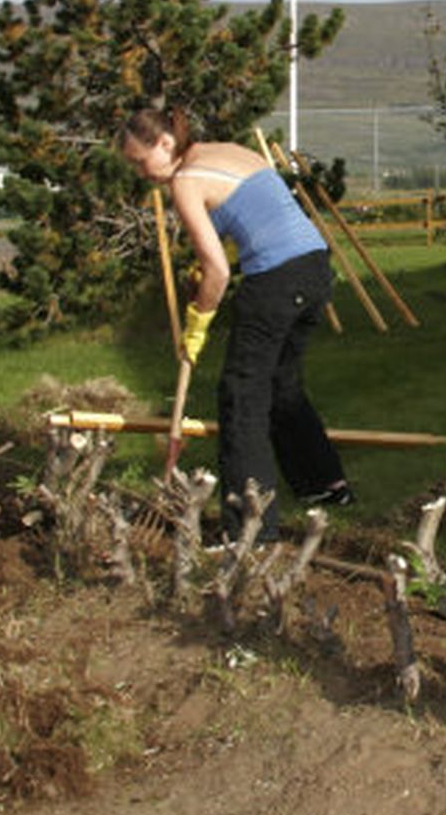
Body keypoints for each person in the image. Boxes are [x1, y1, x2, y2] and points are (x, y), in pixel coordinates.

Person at [118, 107, 352, 543]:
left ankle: (250, 531)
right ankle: (324, 484)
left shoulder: (185, 182)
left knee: (241, 397)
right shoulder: (228, 151)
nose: (140, 172)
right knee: (281, 384)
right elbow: (252, 219)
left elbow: (219, 273)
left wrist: (199, 321)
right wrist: (201, 274)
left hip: (276, 281)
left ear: (165, 144)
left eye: (139, 160)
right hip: (315, 269)